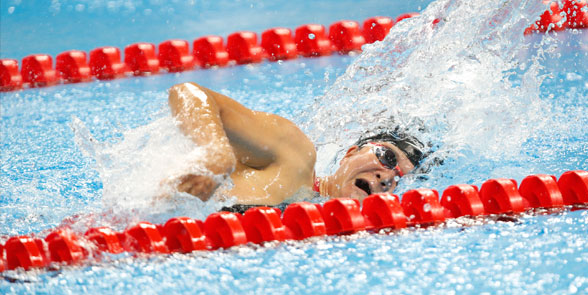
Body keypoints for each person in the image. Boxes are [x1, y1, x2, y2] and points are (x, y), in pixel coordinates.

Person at [167, 82, 427, 209]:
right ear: (350, 153)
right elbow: (188, 93)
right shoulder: (294, 156)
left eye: (400, 180)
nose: (387, 177)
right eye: (387, 158)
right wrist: (215, 152)